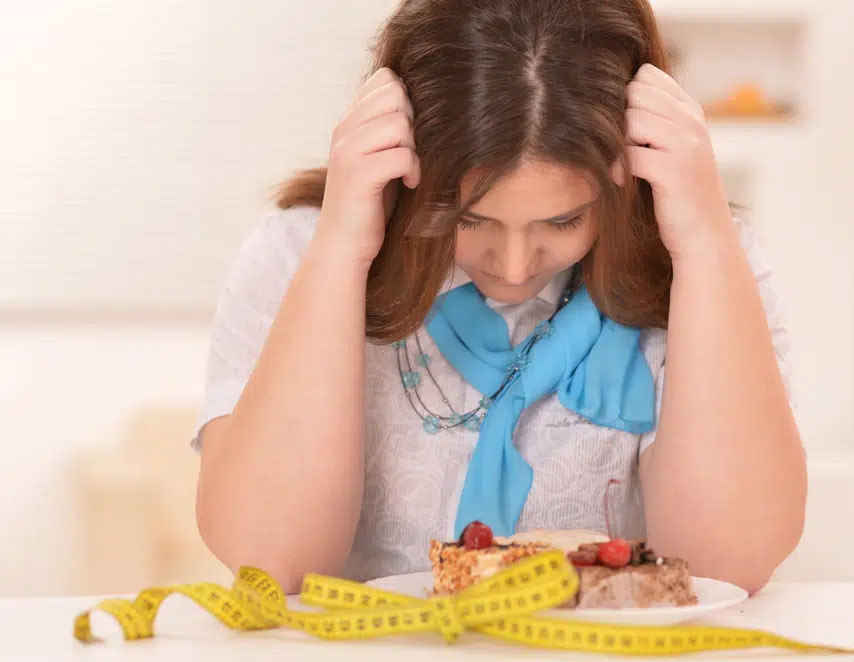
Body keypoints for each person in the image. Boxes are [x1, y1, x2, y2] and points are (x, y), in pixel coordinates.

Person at [190, 0, 805, 595]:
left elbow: (727, 566)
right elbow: (269, 560)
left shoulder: (707, 261)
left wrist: (703, 245)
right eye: (471, 219)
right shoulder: (298, 254)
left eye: (562, 222)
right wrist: (340, 252)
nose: (513, 267)